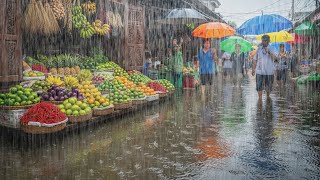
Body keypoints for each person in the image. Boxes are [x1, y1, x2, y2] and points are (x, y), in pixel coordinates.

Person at [252, 35, 278, 100]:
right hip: (259, 71)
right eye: (263, 40)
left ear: (269, 41)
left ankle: (267, 97)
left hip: (269, 72)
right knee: (259, 86)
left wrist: (269, 52)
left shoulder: (273, 48)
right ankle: (260, 99)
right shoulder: (259, 49)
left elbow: (276, 59)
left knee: (268, 88)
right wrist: (253, 69)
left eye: (266, 40)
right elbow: (255, 59)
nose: (264, 42)